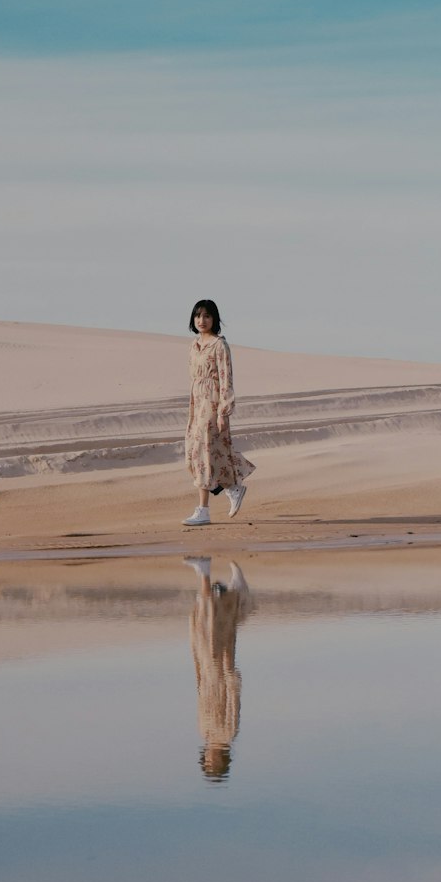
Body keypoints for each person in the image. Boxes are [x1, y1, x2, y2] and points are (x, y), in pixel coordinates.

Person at [183, 298, 255, 527]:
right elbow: (194, 377)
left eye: (206, 316)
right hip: (197, 402)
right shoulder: (194, 346)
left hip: (213, 403)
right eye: (198, 316)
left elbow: (226, 379)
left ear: (214, 319)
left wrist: (224, 411)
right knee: (197, 452)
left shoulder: (219, 345)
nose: (201, 320)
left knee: (204, 454)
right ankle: (233, 487)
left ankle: (203, 510)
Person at [184, 557, 253, 781]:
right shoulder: (228, 733)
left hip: (206, 672)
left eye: (208, 764)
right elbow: (233, 703)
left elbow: (200, 697)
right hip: (220, 673)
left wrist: (196, 670)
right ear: (222, 760)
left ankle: (212, 580)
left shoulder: (203, 733)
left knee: (202, 627)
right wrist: (229, 671)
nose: (209, 760)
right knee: (215, 628)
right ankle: (211, 577)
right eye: (213, 764)